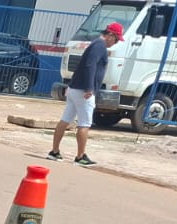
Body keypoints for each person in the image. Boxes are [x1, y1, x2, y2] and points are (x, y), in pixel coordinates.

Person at [49, 20, 123, 166]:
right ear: (110, 35)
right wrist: (90, 88)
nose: (115, 43)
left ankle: (54, 151)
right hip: (84, 91)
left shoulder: (96, 44)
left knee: (65, 120)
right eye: (116, 39)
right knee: (85, 124)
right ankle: (80, 156)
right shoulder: (100, 46)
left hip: (74, 88)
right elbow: (90, 66)